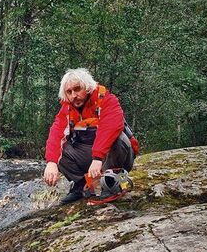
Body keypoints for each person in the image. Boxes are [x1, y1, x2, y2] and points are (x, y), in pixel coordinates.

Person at [43, 68, 138, 204]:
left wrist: (97, 157)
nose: (74, 95)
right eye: (69, 92)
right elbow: (56, 133)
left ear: (87, 87)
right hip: (92, 158)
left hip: (118, 157)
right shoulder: (67, 109)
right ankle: (82, 187)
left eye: (77, 89)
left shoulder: (107, 100)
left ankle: (114, 181)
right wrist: (51, 162)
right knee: (61, 150)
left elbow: (111, 127)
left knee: (119, 139)